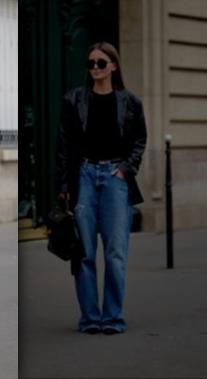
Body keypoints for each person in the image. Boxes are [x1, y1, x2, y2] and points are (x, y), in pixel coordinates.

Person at [54, 41, 147, 335]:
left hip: (115, 178)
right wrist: (63, 184)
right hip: (83, 176)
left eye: (101, 63)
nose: (95, 68)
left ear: (114, 66)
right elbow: (63, 146)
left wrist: (125, 169)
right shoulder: (74, 100)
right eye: (91, 63)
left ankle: (113, 317)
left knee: (115, 253)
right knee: (84, 252)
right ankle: (90, 318)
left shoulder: (130, 101)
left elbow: (140, 140)